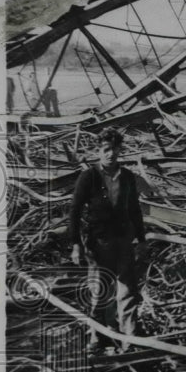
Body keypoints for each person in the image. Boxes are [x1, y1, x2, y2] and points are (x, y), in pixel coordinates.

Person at [68, 128, 147, 343]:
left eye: (115, 149)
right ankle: (97, 337)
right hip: (98, 242)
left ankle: (129, 339)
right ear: (98, 151)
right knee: (101, 291)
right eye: (106, 149)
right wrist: (76, 245)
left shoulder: (128, 177)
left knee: (127, 291)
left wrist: (141, 239)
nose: (110, 154)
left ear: (120, 150)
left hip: (123, 242)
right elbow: (74, 210)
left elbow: (134, 209)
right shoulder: (89, 177)